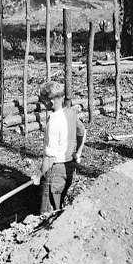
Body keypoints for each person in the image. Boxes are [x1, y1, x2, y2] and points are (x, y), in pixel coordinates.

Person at [31, 81, 86, 214]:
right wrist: (78, 153)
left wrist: (38, 176)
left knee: (48, 214)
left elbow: (50, 158)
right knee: (58, 208)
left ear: (50, 101)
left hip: (55, 172)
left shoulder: (54, 122)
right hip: (67, 169)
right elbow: (82, 131)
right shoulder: (70, 113)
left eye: (43, 101)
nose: (43, 104)